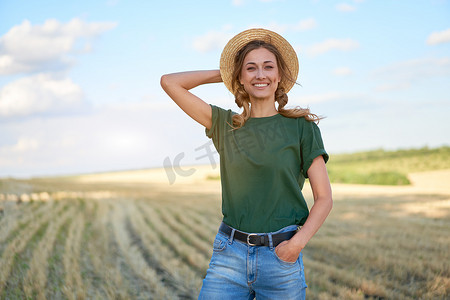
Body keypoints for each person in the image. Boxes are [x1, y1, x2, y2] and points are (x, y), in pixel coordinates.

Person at [160, 28, 332, 300]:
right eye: (250, 68)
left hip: (281, 256)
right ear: (240, 77)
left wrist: (295, 246)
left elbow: (324, 198)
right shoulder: (225, 125)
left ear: (279, 76)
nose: (260, 74)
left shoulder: (301, 128)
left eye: (268, 67)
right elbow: (169, 82)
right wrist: (227, 72)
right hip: (229, 256)